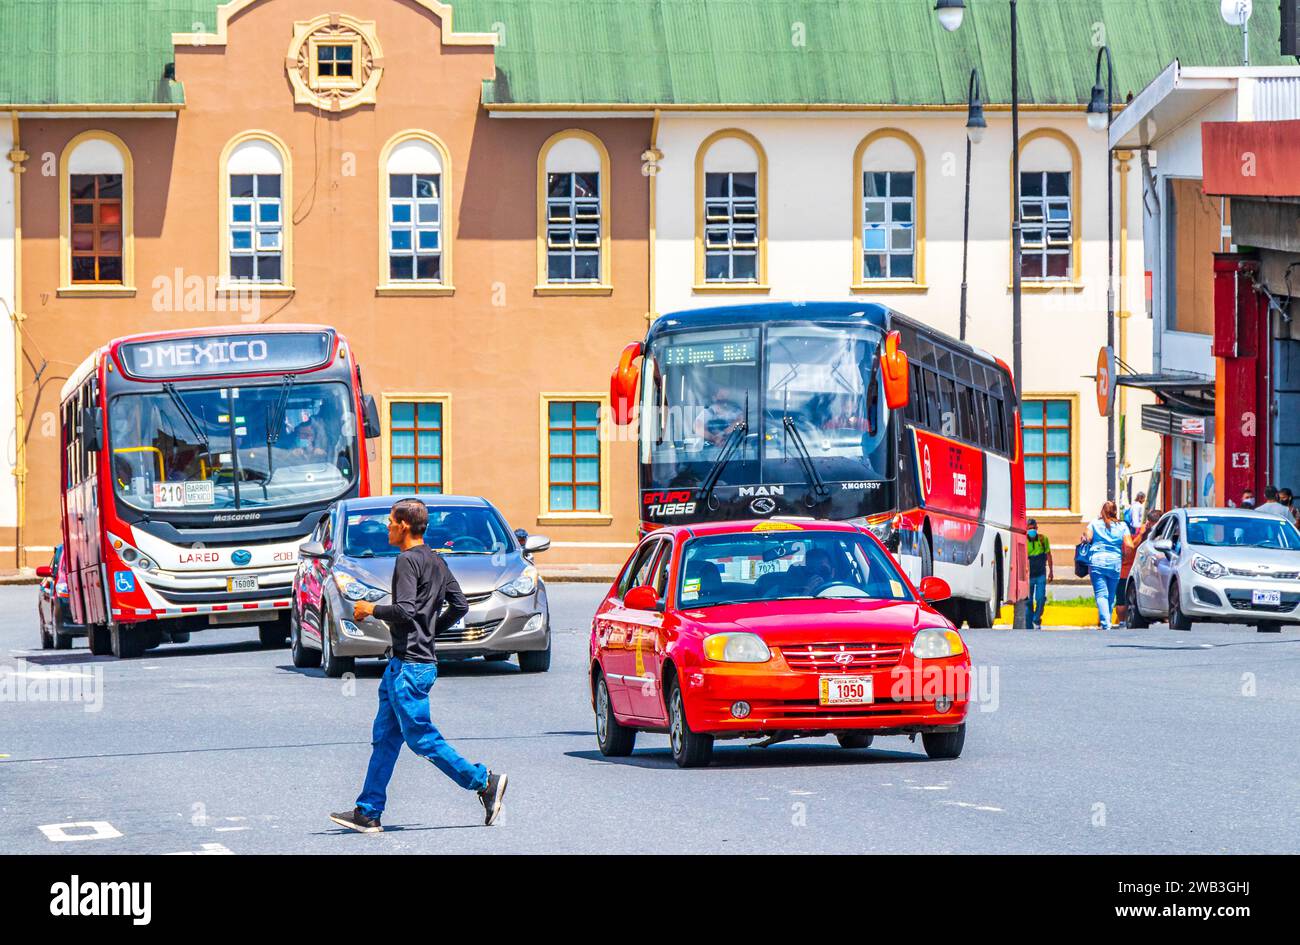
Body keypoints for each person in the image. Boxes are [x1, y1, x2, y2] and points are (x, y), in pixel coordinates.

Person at [330, 498, 507, 833]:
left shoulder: (407, 561)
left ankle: (483, 781)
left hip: (409, 667)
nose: (387, 527)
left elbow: (406, 610)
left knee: (421, 739)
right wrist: (431, 631)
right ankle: (368, 812)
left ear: (405, 526)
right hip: (406, 665)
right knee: (385, 739)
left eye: (391, 522)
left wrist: (370, 609)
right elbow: (460, 605)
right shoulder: (437, 561)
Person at [1081, 501, 1135, 631]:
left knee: (1101, 594)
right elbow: (1130, 545)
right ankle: (1108, 620)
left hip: (1097, 562)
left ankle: (1106, 623)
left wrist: (1085, 538)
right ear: (1115, 511)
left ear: (1102, 511)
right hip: (1115, 563)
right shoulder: (1122, 526)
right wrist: (1125, 557)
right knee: (1111, 595)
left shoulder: (1094, 523)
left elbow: (1087, 538)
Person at [1116, 508, 1160, 627]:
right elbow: (1132, 547)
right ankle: (1123, 621)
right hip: (1135, 569)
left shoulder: (1156, 533)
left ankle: (1123, 621)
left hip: (1141, 569)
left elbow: (1131, 547)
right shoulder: (1146, 533)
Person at [1025, 518, 1053, 630]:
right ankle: (1029, 625)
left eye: (1033, 528)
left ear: (1037, 528)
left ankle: (1037, 619)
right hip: (1029, 575)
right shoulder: (1024, 540)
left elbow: (1049, 555)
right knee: (1029, 601)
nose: (1032, 531)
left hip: (1041, 574)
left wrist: (1051, 571)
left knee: (1040, 598)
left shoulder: (1043, 539)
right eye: (1029, 529)